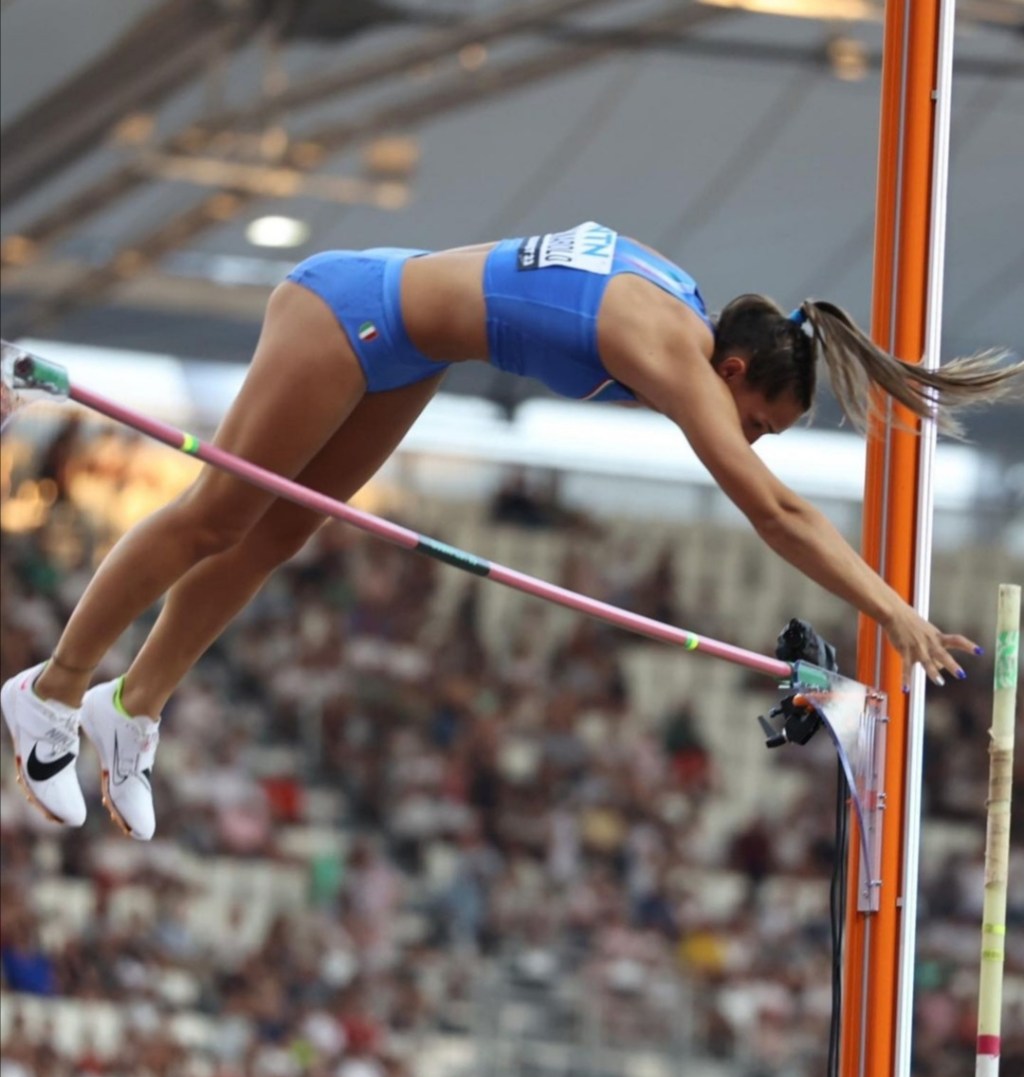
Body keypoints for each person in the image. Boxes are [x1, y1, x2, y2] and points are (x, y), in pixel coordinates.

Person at [2, 220, 1021, 840]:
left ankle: (130, 708)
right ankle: (49, 691)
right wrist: (889, 606)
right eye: (754, 421)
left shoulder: (687, 312)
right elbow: (772, 509)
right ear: (734, 373)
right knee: (216, 516)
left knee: (276, 537)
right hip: (352, 310)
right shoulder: (667, 341)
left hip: (407, 349)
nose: (743, 439)